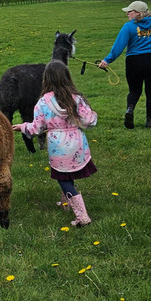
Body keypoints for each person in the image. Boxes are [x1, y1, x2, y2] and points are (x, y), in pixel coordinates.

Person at [12, 60, 98, 227]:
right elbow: (89, 121)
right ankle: (66, 202)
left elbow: (36, 128)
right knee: (68, 174)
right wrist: (92, 114)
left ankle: (82, 216)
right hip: (77, 143)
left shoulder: (44, 102)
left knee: (63, 179)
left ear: (47, 79)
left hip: (58, 146)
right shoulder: (77, 99)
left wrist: (22, 127)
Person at [98, 0, 151, 129]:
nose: (127, 14)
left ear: (137, 13)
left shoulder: (128, 27)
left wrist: (107, 60)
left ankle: (130, 110)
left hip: (134, 62)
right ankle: (149, 121)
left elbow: (118, 46)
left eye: (129, 12)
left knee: (134, 91)